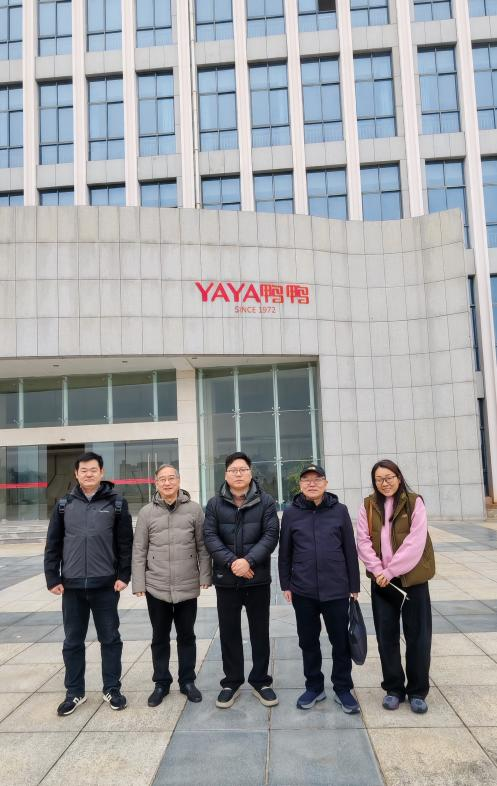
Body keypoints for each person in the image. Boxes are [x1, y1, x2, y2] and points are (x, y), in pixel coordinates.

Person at [44, 451, 133, 716]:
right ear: (76, 474)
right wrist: (52, 577)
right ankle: (75, 692)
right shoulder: (64, 504)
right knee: (73, 641)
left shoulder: (117, 503)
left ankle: (112, 689)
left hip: (105, 585)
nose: (88, 474)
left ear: (102, 472)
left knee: (110, 639)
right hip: (71, 587)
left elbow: (125, 544)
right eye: (83, 470)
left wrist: (124, 576)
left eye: (93, 469)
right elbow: (53, 544)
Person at [279, 464, 361, 713]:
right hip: (303, 590)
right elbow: (285, 552)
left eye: (317, 479)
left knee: (340, 641)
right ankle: (314, 686)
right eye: (306, 480)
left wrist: (354, 585)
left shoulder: (340, 511)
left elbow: (350, 549)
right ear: (300, 485)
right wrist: (286, 584)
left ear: (326, 483)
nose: (312, 483)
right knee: (308, 641)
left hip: (336, 589)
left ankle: (343, 688)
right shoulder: (291, 513)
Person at [356, 459, 435, 714]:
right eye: (379, 479)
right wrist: (378, 570)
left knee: (418, 637)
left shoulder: (414, 502)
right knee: (386, 637)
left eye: (389, 477)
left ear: (398, 478)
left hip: (412, 581)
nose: (385, 483)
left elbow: (415, 542)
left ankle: (417, 691)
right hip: (382, 582)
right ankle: (394, 689)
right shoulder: (368, 505)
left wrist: (390, 571)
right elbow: (362, 541)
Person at [203, 451, 279, 709]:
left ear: (250, 472)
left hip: (257, 579)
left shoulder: (266, 501)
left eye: (243, 469)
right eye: (233, 470)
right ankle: (231, 682)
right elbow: (210, 536)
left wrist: (248, 561)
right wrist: (233, 563)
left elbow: (271, 535)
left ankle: (261, 681)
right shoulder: (214, 504)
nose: (238, 474)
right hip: (226, 580)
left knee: (260, 631)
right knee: (229, 632)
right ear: (226, 474)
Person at [132, 464, 211, 706]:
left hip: (187, 584)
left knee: (187, 635)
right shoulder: (146, 512)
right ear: (156, 483)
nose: (167, 483)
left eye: (171, 478)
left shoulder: (194, 510)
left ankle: (187, 681)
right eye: (162, 479)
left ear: (179, 481)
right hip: (156, 586)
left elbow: (203, 546)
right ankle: (161, 683)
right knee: (160, 637)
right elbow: (139, 550)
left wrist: (205, 576)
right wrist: (138, 582)